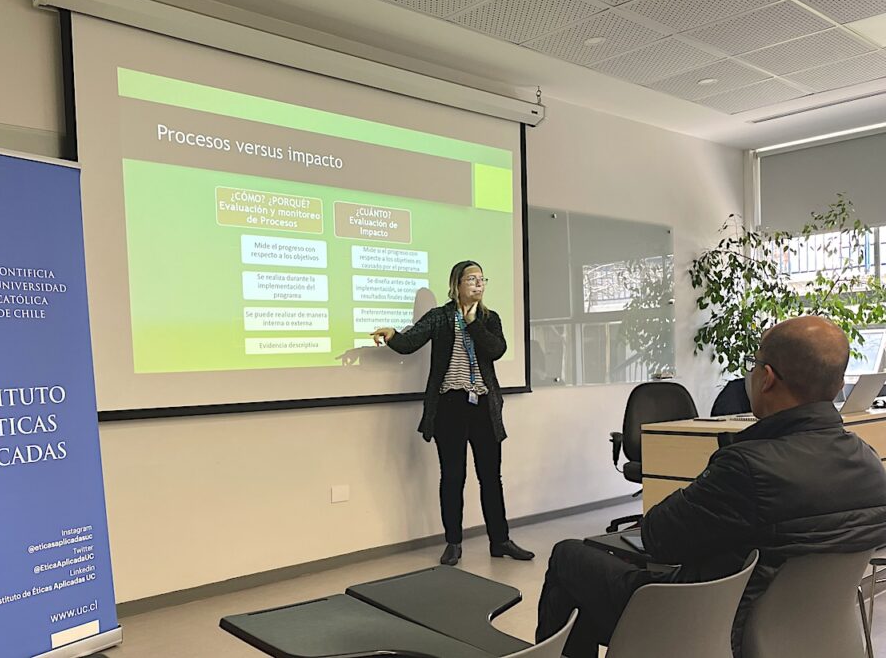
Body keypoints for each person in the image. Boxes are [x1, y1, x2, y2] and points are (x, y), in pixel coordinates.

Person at [535, 315, 886, 657]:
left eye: (753, 363)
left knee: (570, 557)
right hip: (807, 631)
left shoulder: (748, 468)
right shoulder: (869, 462)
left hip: (711, 626)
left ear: (766, 378)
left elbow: (658, 538)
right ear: (839, 386)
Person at [370, 260, 534, 565]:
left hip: (483, 405)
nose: (478, 283)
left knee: (490, 477)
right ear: (456, 284)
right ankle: (454, 543)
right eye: (471, 279)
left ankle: (500, 541)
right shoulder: (440, 317)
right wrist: (392, 334)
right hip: (450, 407)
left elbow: (496, 350)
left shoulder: (488, 318)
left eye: (481, 278)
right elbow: (410, 342)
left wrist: (472, 323)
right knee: (453, 477)